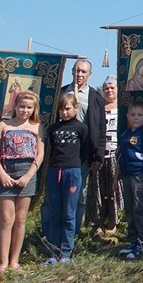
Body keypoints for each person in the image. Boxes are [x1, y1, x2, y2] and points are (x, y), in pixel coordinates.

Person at [0, 90, 44, 272]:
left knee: (20, 219)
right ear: (15, 106)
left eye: (29, 107)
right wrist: (1, 174)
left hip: (26, 171)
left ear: (34, 109)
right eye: (22, 106)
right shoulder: (4, 126)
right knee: (6, 218)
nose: (25, 110)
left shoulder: (36, 127)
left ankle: (15, 260)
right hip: (6, 170)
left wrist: (28, 175)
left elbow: (40, 153)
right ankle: (3, 261)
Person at [60, 59, 106, 235]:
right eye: (77, 71)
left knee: (78, 195)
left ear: (89, 75)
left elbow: (101, 128)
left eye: (83, 72)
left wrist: (98, 155)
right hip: (61, 153)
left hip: (83, 154)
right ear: (72, 71)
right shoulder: (63, 92)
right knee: (58, 195)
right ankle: (55, 232)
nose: (79, 74)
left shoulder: (95, 97)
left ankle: (74, 232)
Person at [43, 92, 90, 264]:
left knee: (69, 213)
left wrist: (75, 164)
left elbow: (85, 150)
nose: (64, 112)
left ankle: (66, 251)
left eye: (67, 109)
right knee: (55, 212)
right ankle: (53, 250)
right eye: (61, 109)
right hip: (55, 171)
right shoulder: (53, 129)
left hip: (72, 171)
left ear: (75, 108)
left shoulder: (81, 128)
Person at [117, 100, 143, 261]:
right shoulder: (125, 134)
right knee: (130, 209)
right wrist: (116, 178)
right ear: (127, 116)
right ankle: (132, 241)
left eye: (139, 115)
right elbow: (120, 157)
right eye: (132, 115)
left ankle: (142, 243)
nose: (135, 118)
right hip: (126, 176)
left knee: (140, 209)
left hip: (140, 176)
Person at [85, 76, 122, 236]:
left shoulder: (121, 108)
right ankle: (97, 223)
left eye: (112, 87)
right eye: (106, 88)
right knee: (97, 189)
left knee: (114, 189)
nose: (109, 90)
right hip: (99, 153)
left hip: (115, 153)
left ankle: (114, 222)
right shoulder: (97, 107)